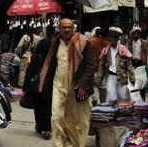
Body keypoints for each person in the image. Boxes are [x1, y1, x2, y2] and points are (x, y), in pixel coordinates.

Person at [39, 18, 96, 147]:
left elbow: (91, 66)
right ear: (59, 28)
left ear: (73, 28)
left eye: (69, 27)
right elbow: (50, 65)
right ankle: (59, 144)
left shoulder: (83, 42)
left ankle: (77, 144)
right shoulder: (55, 43)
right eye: (64, 27)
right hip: (58, 84)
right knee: (56, 117)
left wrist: (83, 84)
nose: (67, 30)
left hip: (76, 86)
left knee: (77, 120)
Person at [22, 24, 53, 140]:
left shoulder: (36, 57)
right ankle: (47, 128)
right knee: (48, 108)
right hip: (49, 86)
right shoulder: (52, 58)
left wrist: (25, 87)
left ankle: (40, 126)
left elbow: (29, 73)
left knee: (38, 108)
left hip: (36, 86)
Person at [96, 29, 135, 103]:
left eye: (113, 41)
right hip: (111, 76)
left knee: (123, 97)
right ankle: (113, 112)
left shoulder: (123, 50)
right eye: (110, 41)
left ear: (117, 40)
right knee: (111, 96)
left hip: (122, 76)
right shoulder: (105, 51)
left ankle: (123, 112)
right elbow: (102, 66)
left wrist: (132, 78)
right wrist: (99, 78)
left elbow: (129, 65)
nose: (112, 42)